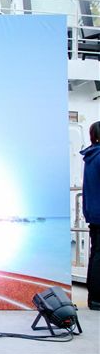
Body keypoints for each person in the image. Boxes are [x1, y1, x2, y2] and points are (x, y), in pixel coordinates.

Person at [81, 121, 100, 311]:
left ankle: (94, 298)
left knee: (96, 255)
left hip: (94, 213)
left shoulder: (91, 156)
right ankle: (97, 298)